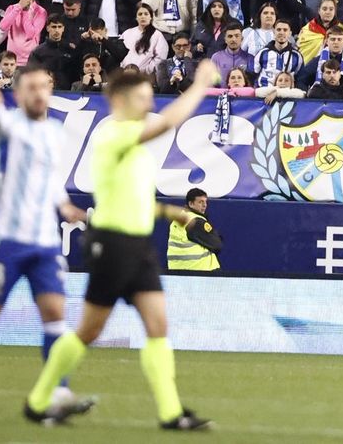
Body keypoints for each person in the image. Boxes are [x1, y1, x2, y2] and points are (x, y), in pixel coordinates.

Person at [23, 63, 221, 430]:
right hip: (113, 245)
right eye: (143, 97)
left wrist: (165, 211)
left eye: (150, 98)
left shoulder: (132, 140)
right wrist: (200, 85)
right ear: (119, 100)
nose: (149, 104)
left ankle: (171, 413)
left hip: (138, 246)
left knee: (157, 325)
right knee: (89, 331)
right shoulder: (113, 133)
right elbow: (166, 123)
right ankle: (37, 402)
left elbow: (131, 196)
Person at [0, 65, 94, 417]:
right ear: (19, 93)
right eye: (32, 88)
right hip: (8, 239)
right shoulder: (9, 125)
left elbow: (52, 178)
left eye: (44, 87)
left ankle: (58, 392)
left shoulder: (56, 132)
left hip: (44, 242)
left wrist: (64, 205)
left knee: (55, 315)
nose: (39, 93)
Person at [165, 187, 223, 273]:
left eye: (205, 202)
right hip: (201, 272)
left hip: (176, 271)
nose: (204, 205)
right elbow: (217, 245)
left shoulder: (177, 219)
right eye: (200, 202)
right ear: (191, 204)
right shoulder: (196, 221)